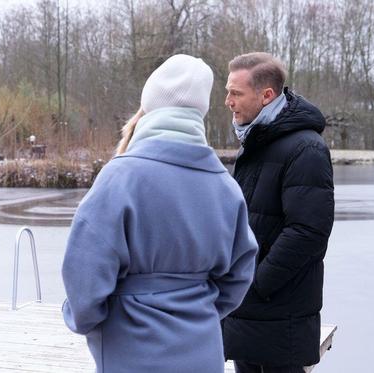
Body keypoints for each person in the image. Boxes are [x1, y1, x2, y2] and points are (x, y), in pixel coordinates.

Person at [61, 54, 258, 373]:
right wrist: (199, 306)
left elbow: (85, 271)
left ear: (149, 105)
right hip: (202, 348)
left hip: (131, 348)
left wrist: (88, 320)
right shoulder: (225, 186)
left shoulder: (120, 178)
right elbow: (240, 273)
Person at [222, 52, 335, 373]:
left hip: (279, 312)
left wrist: (257, 282)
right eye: (227, 91)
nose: (228, 101)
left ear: (267, 95)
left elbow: (309, 232)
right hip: (248, 312)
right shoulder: (258, 142)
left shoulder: (305, 148)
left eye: (236, 92)